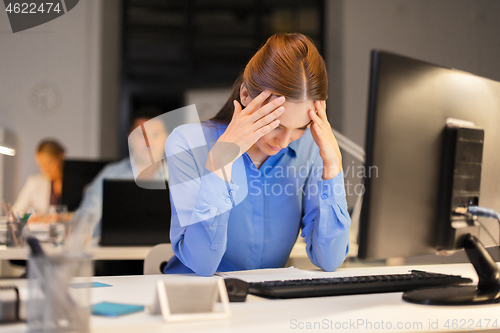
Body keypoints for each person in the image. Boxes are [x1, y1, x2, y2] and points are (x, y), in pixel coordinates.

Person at [164, 33, 351, 276]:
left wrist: (332, 164)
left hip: (266, 305)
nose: (284, 142)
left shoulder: (311, 149)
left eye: (300, 128)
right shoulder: (187, 143)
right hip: (196, 300)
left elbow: (330, 259)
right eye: (276, 124)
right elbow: (202, 264)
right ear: (245, 96)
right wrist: (222, 158)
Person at [76, 107, 169, 239]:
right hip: (113, 256)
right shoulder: (111, 174)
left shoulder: (180, 177)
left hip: (163, 255)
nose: (148, 143)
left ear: (166, 138)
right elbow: (89, 211)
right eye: (142, 135)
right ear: (129, 138)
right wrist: (82, 230)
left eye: (155, 135)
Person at [13, 139, 65, 218]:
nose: (45, 169)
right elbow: (16, 212)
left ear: (61, 157)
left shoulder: (76, 182)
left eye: (49, 163)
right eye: (41, 165)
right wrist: (32, 218)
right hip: (44, 229)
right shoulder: (34, 182)